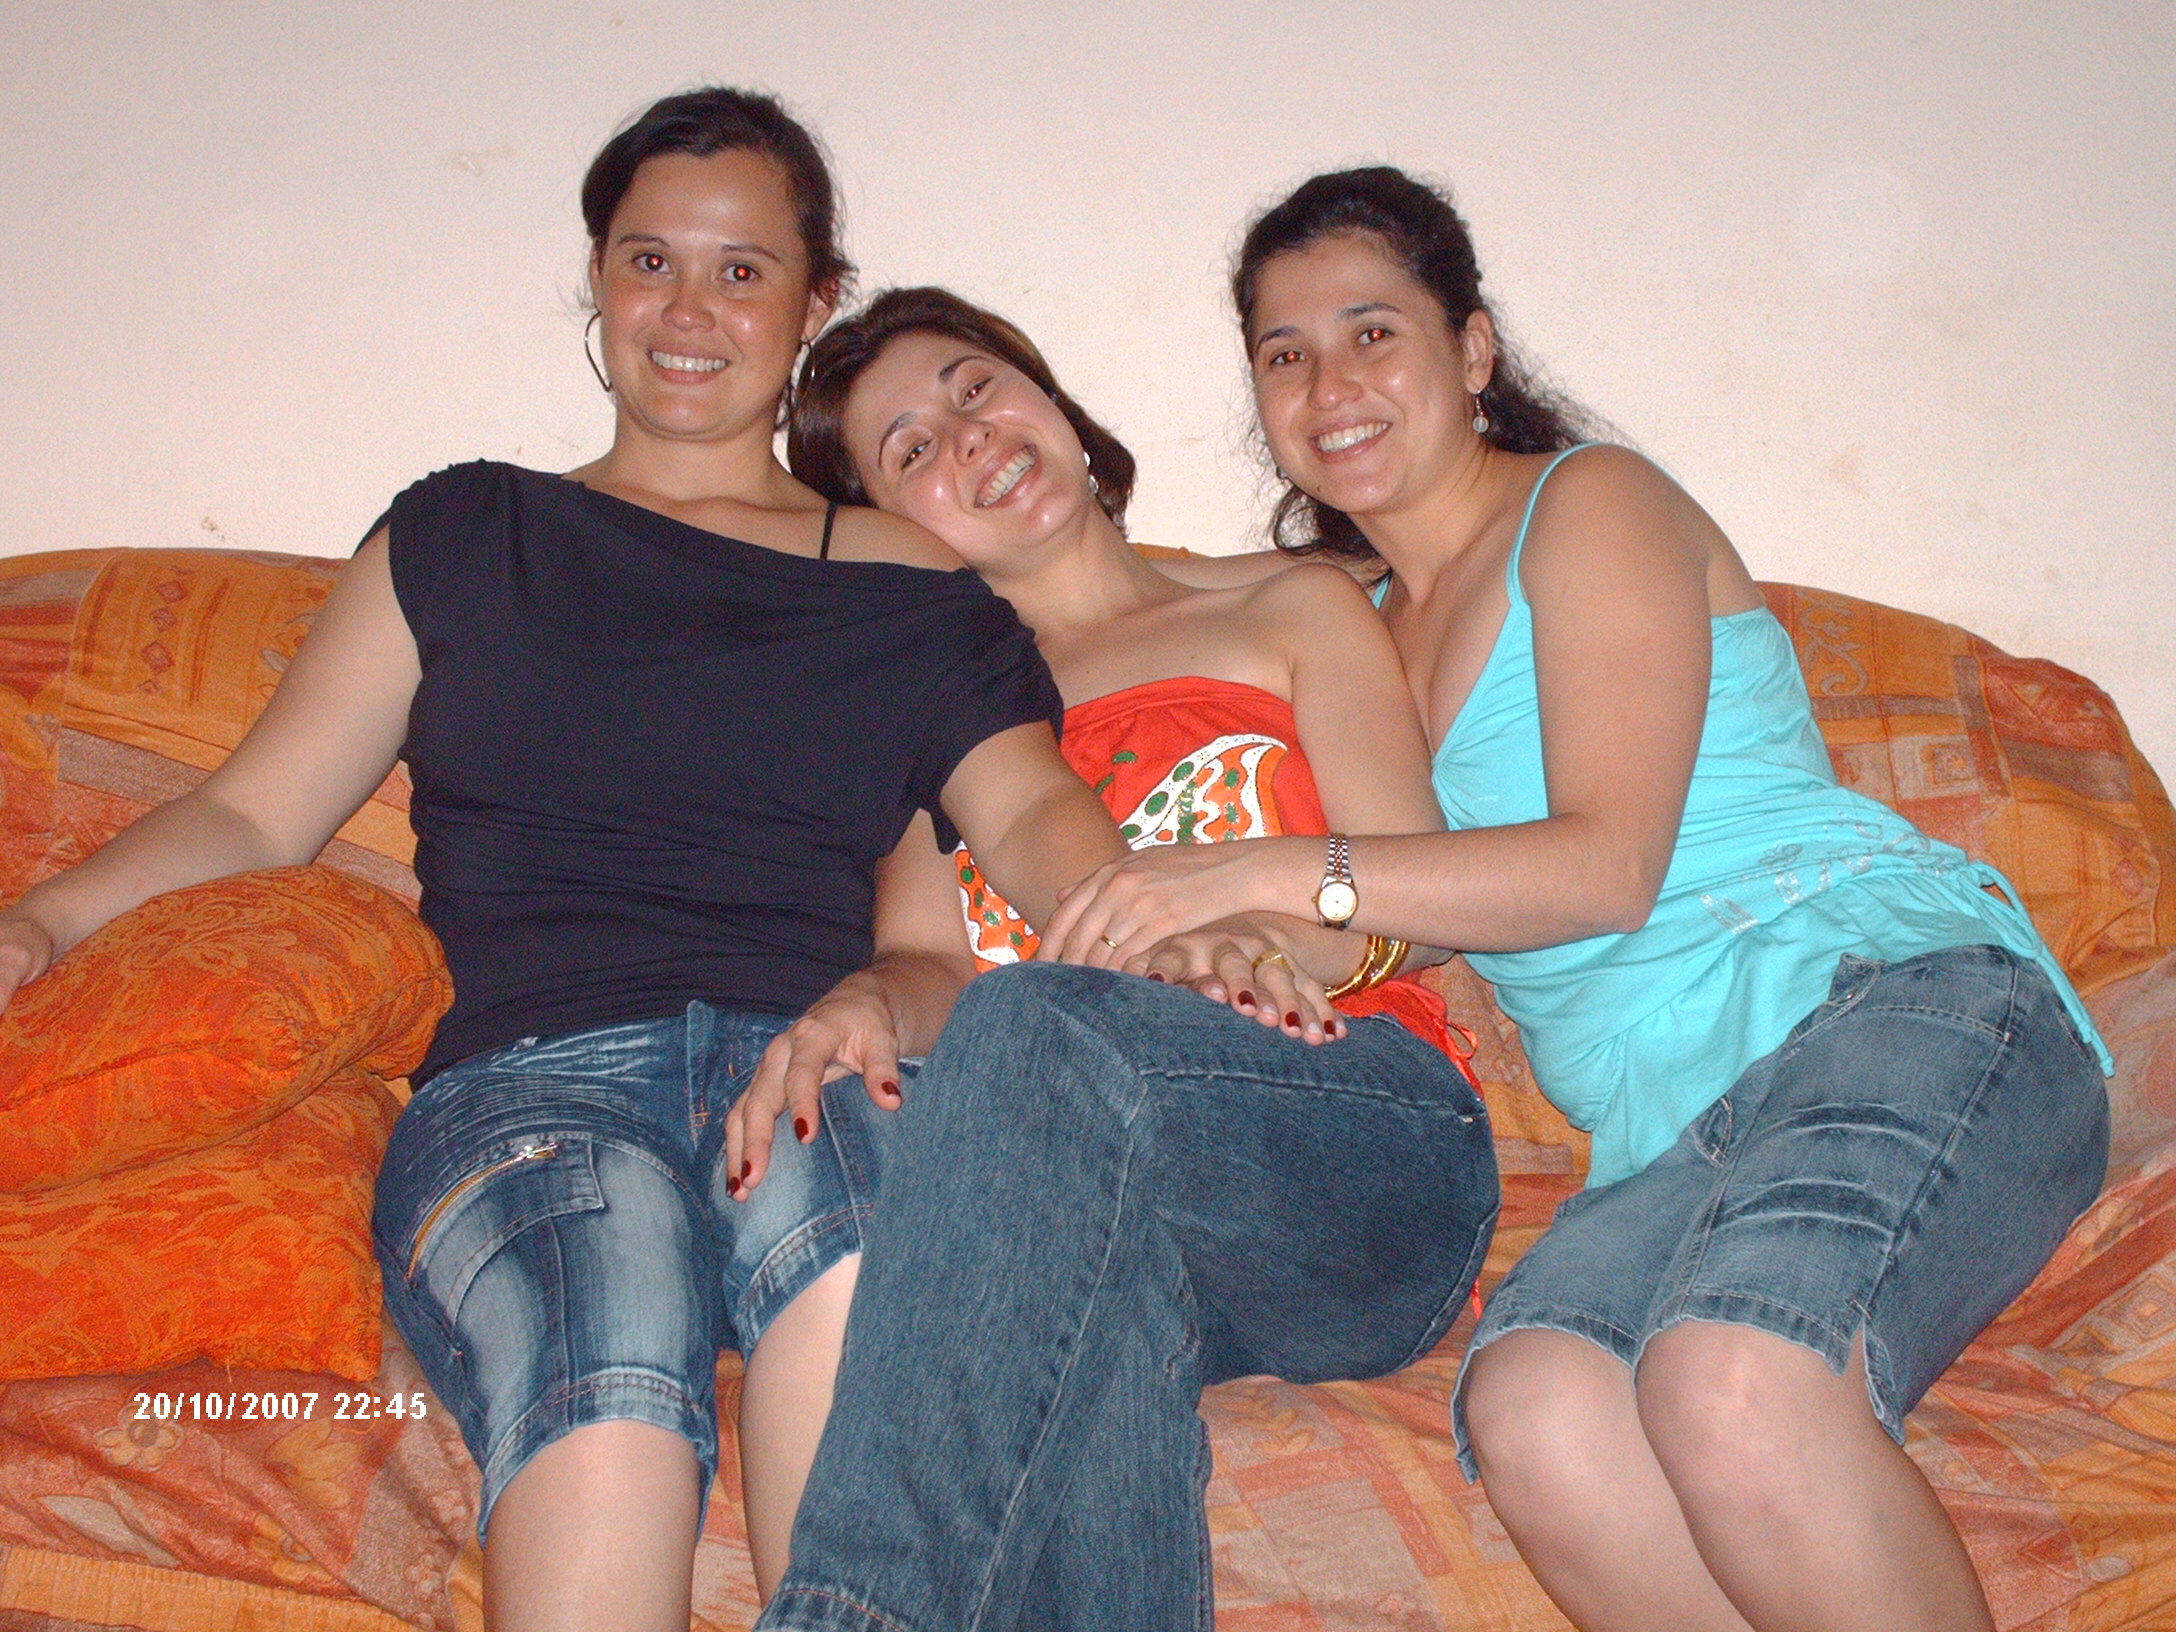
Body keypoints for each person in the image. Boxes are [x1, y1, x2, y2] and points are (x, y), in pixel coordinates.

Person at [0, 86, 1162, 1632]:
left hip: (810, 1067)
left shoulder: (909, 586)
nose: (688, 310)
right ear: (598, 280)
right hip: (530, 1089)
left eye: (742, 271)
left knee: (863, 1261)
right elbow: (252, 818)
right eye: (648, 260)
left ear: (813, 302)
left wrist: (1164, 918)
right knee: (609, 1346)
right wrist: (36, 928)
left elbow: (1024, 815)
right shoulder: (467, 535)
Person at [1039, 166, 2114, 1632]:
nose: (1329, 386)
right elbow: (1124, 596)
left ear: (1473, 349)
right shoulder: (1346, 623)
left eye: (1372, 333)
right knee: (1539, 1409)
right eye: (1284, 355)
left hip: (1884, 1003)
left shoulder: (1587, 504)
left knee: (1734, 1377)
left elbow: (1606, 870)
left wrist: (1260, 869)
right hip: (1665, 1132)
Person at [718, 289, 1499, 1631]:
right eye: (912, 450)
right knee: (1078, 1314)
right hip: (1117, 1212)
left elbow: (1417, 891)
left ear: (1052, 399)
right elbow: (931, 969)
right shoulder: (932, 715)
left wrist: (1257, 934)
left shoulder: (1293, 605)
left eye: (975, 388)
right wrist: (864, 1000)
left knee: (1038, 1024)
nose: (969, 437)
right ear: (894, 530)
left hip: (1357, 1137)